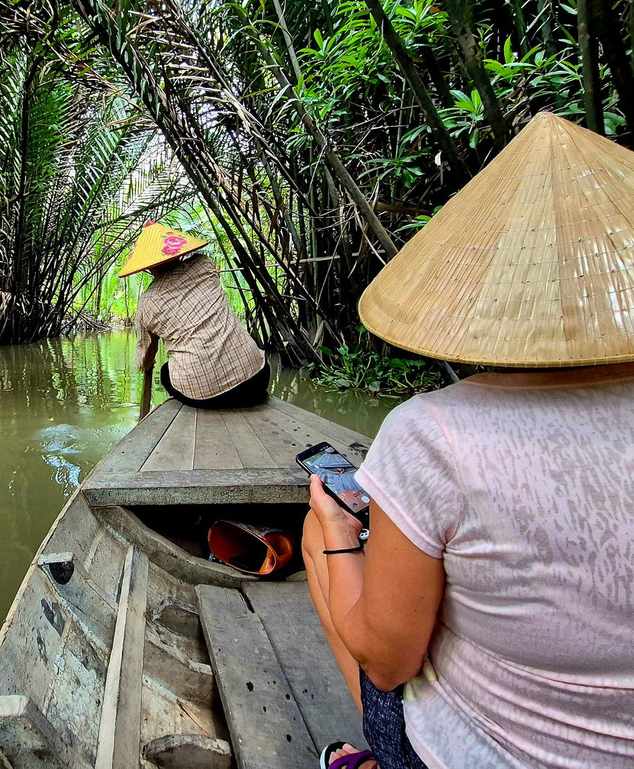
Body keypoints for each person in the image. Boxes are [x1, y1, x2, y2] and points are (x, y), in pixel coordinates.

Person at [303, 112, 634, 769]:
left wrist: (340, 533)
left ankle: (383, 756)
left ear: (488, 294)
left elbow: (391, 661)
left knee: (322, 534)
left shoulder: (433, 437)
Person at [120, 220, 270, 408]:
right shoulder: (204, 264)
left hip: (205, 396)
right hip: (257, 378)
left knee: (166, 373)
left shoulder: (146, 304)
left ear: (147, 267)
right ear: (176, 251)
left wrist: (144, 363)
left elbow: (145, 357)